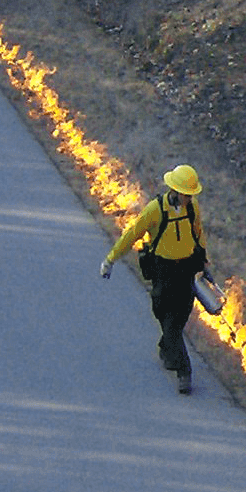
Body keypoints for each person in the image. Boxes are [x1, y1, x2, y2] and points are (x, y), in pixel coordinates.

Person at [100, 164, 212, 394]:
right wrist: (110, 259)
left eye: (192, 194)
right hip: (163, 272)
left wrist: (204, 262)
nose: (189, 198)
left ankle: (172, 357)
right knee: (164, 316)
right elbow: (132, 234)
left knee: (178, 320)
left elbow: (198, 233)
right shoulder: (155, 210)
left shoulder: (193, 208)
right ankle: (182, 367)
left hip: (186, 272)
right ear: (175, 190)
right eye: (186, 194)